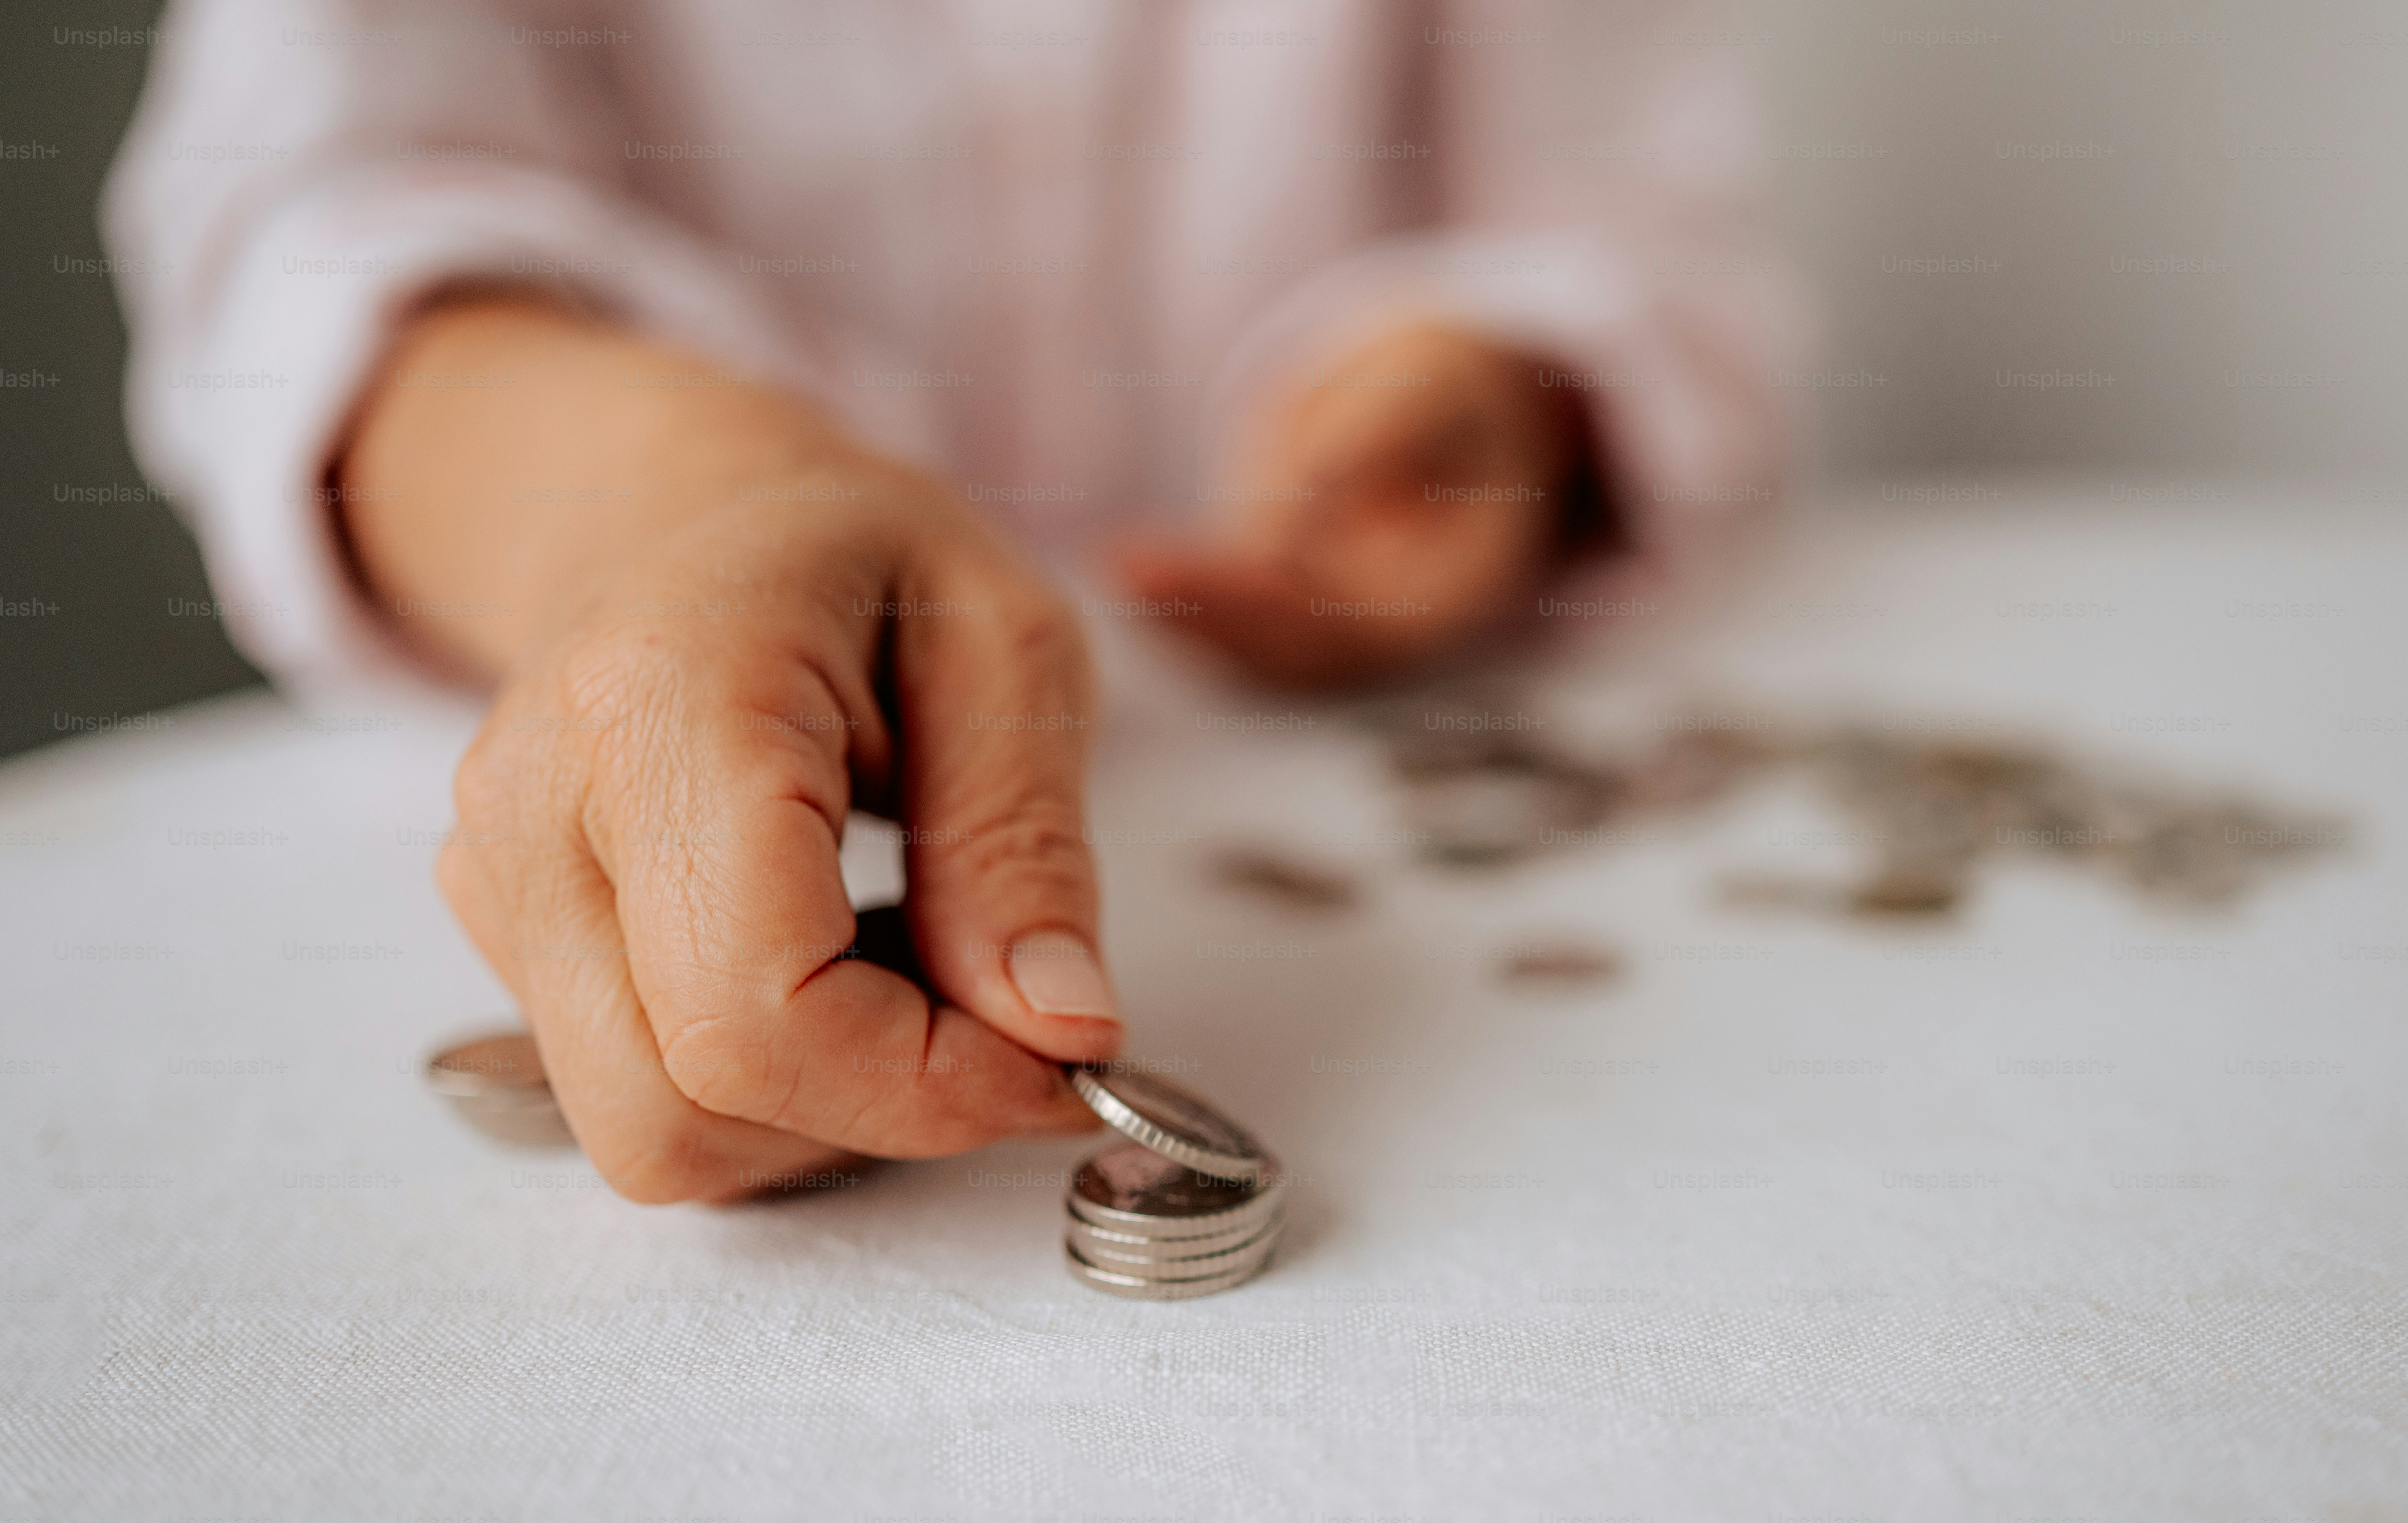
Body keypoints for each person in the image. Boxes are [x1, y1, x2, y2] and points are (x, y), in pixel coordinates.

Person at [104, 0, 1793, 1202]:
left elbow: (1627, 217)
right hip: (497, 717)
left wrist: (1492, 392)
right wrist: (687, 498)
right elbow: (301, 241)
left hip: (1315, 715)